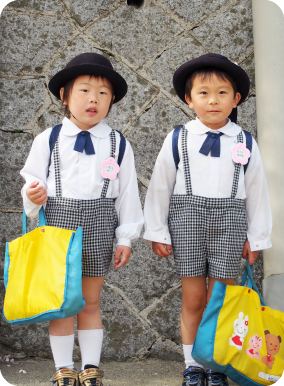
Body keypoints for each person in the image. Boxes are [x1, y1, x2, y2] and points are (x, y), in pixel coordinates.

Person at [143, 53, 272, 386]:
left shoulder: (245, 142)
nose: (212, 100)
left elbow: (257, 193)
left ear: (236, 99)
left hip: (230, 225)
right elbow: (160, 186)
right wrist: (157, 230)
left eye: (222, 93)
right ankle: (193, 365)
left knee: (220, 298)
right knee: (194, 298)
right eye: (203, 93)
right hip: (187, 222)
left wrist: (256, 238)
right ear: (189, 99)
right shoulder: (178, 139)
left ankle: (216, 364)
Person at [20, 52, 144, 386]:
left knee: (89, 301)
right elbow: (32, 183)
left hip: (101, 224)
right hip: (58, 226)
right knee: (62, 304)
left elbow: (128, 192)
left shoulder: (118, 143)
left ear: (112, 100)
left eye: (103, 93)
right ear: (64, 96)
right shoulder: (48, 139)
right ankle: (63, 368)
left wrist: (125, 238)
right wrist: (34, 197)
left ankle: (91, 368)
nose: (94, 99)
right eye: (85, 90)